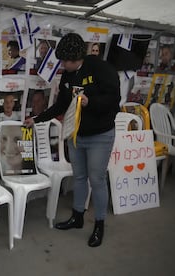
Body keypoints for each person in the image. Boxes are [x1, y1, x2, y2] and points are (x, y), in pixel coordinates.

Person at [24, 33, 120, 247]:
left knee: (96, 180)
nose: (63, 65)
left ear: (77, 57)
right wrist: (37, 119)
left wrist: (90, 102)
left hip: (100, 136)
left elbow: (114, 101)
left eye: (66, 61)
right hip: (75, 135)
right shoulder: (67, 76)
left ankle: (99, 225)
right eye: (62, 61)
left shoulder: (102, 69)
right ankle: (77, 217)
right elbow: (60, 105)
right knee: (79, 177)